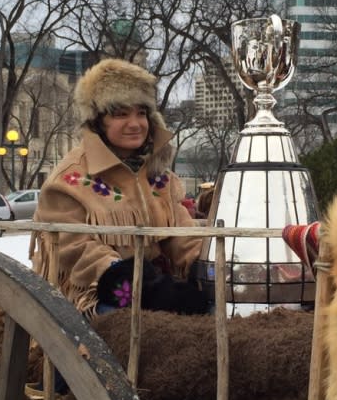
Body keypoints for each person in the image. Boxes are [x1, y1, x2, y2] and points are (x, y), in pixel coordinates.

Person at [31, 58, 206, 319]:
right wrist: (137, 283)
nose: (135, 123)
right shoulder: (69, 180)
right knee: (140, 330)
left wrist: (201, 266)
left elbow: (180, 232)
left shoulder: (158, 175)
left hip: (157, 286)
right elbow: (76, 249)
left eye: (141, 113)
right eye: (121, 114)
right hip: (90, 295)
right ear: (98, 120)